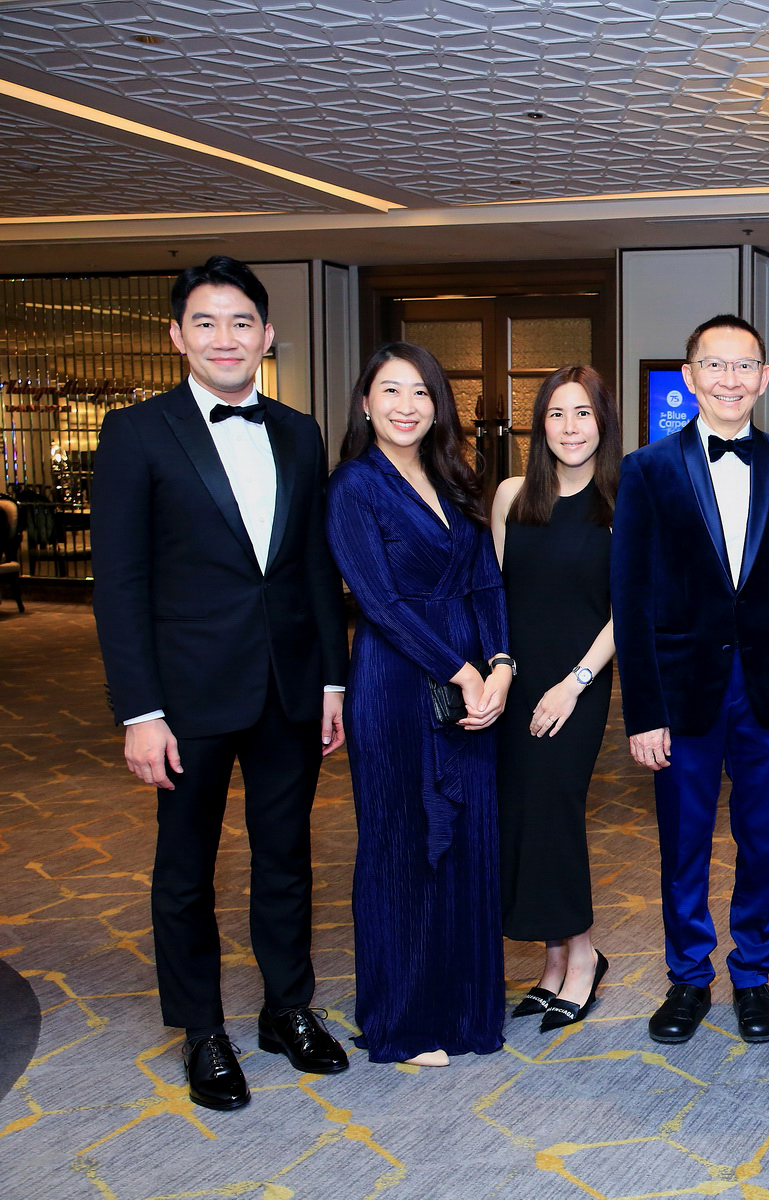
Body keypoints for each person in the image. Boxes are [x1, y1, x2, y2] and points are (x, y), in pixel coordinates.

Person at [91, 256, 350, 1113]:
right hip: (185, 698)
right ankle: (202, 1029)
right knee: (185, 871)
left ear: (267, 335)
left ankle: (287, 1009)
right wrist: (139, 711)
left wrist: (333, 683)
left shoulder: (300, 431)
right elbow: (119, 584)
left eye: (242, 322)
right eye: (206, 322)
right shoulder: (137, 432)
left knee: (286, 858)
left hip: (288, 686)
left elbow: (313, 566)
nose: (225, 338)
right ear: (177, 336)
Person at [612, 314, 769, 1046]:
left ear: (764, 378)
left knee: (763, 842)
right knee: (684, 844)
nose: (730, 380)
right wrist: (643, 711)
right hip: (681, 694)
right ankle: (687, 978)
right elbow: (631, 599)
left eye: (744, 367)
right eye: (715, 365)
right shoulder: (647, 470)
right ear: (690, 376)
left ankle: (754, 976)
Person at [326, 342, 514, 1067]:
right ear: (365, 403)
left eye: (421, 393)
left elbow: (486, 581)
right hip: (397, 686)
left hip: (472, 682)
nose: (406, 406)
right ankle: (400, 1022)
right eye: (391, 391)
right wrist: (463, 671)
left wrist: (501, 664)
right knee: (400, 849)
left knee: (469, 842)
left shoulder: (454, 477)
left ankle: (465, 1011)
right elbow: (379, 602)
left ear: (438, 407)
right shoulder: (354, 486)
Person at [491, 366, 621, 1032]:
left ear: (604, 422)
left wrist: (575, 683)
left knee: (557, 811)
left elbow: (627, 612)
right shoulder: (512, 496)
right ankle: (554, 962)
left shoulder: (622, 503)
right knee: (524, 814)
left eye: (583, 414)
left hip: (578, 683)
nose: (570, 428)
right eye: (556, 415)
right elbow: (493, 596)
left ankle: (584, 955)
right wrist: (500, 669)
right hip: (514, 682)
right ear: (540, 425)